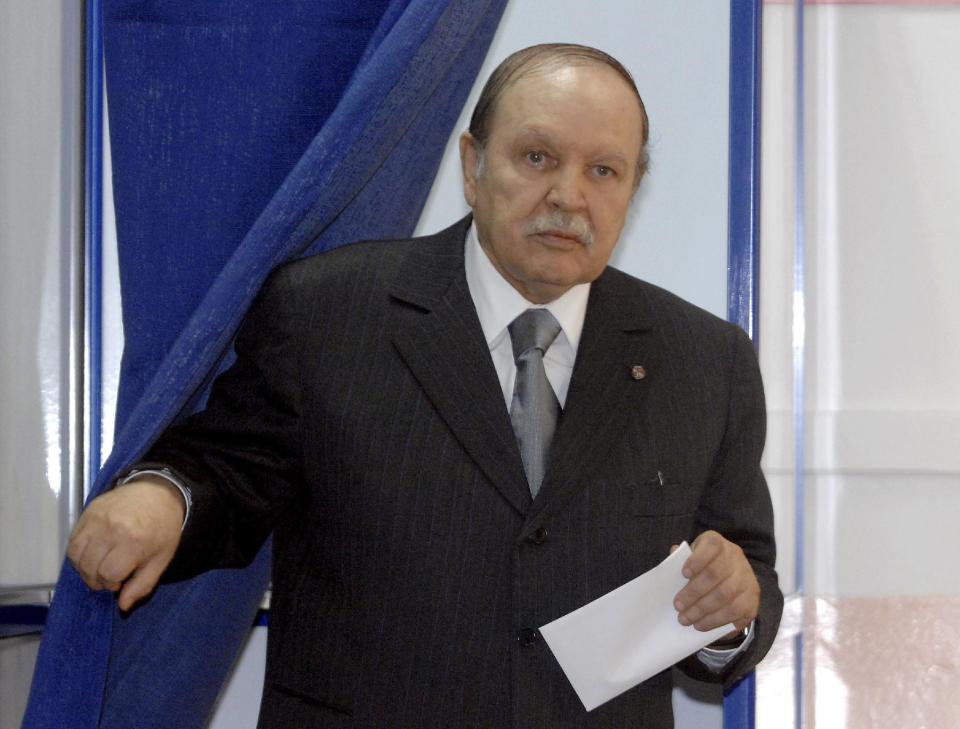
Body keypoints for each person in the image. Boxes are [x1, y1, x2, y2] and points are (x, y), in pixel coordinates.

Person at [67, 44, 782, 728]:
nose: (569, 195)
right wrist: (164, 498)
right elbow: (230, 469)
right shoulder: (327, 311)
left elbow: (744, 576)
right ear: (472, 166)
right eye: (538, 158)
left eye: (604, 170)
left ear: (633, 188)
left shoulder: (704, 359)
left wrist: (733, 608)